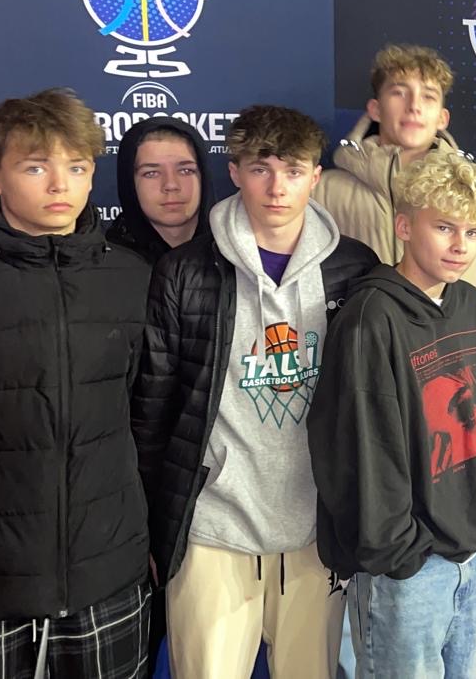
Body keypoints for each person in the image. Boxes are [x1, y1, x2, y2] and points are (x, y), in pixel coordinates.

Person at [0, 88, 153, 677]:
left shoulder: (131, 277)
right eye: (36, 167)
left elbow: (147, 421)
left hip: (108, 575)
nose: (60, 185)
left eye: (77, 167)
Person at [135, 104, 378, 679]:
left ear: (315, 177)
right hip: (212, 530)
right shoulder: (185, 271)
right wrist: (153, 524)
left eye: (292, 170)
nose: (276, 187)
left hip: (316, 531)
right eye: (260, 168)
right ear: (235, 172)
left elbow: (372, 402)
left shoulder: (353, 268)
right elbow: (154, 409)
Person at [309, 149, 476, 679]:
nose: (460, 245)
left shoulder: (470, 304)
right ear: (404, 226)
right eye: (444, 227)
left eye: (472, 232)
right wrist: (398, 553)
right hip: (407, 569)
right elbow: (360, 449)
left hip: (473, 548)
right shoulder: (370, 318)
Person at [315, 43, 476, 408]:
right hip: (360, 390)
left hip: (453, 392)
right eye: (399, 92)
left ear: (443, 117)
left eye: (428, 96)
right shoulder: (326, 190)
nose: (414, 106)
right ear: (375, 109)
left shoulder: (474, 192)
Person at [106, 116, 218, 263]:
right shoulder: (104, 265)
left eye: (185, 171)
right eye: (151, 173)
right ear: (129, 183)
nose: (171, 185)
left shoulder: (235, 257)